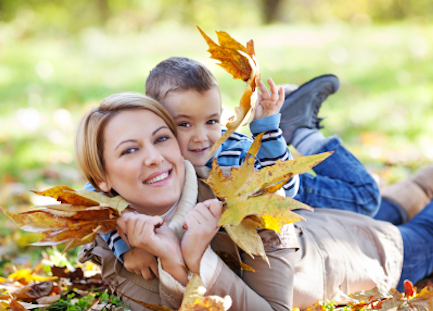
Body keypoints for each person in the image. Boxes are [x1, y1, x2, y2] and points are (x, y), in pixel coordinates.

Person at [76, 92, 433, 311]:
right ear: (101, 178)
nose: (154, 157)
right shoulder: (113, 239)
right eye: (130, 150)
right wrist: (172, 257)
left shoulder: (240, 190)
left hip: (358, 255)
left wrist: (198, 256)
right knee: (393, 204)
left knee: (417, 230)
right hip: (315, 227)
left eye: (162, 138)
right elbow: (157, 306)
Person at [277, 74, 381, 216]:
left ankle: (292, 130)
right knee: (366, 198)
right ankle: (300, 132)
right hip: (261, 186)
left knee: (381, 210)